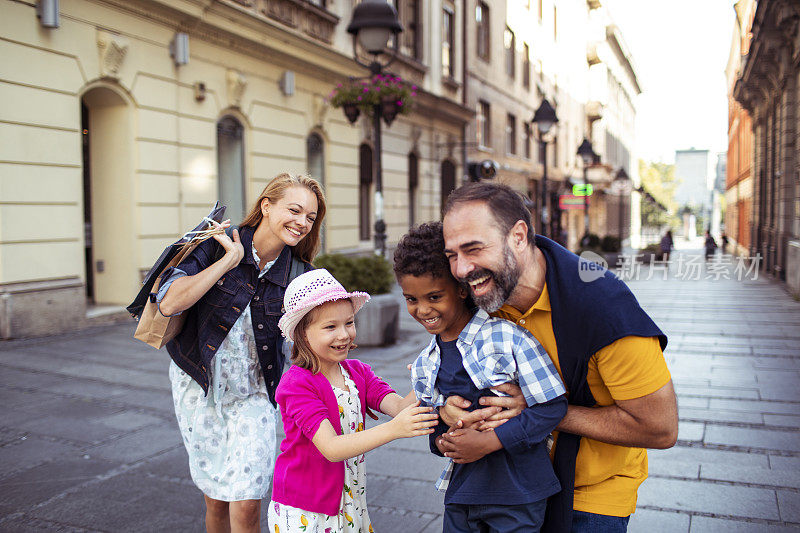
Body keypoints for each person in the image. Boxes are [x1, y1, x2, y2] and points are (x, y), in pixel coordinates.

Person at [439, 182, 678, 532]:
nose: (460, 269)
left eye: (473, 249)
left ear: (518, 236)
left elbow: (660, 429)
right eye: (451, 255)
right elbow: (441, 367)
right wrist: (447, 408)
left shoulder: (605, 310)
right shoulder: (481, 297)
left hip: (591, 493)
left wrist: (539, 409)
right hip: (509, 485)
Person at [158, 173, 325, 533]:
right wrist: (228, 260)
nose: (302, 223)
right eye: (294, 210)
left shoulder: (300, 273)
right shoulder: (217, 243)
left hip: (254, 394)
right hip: (198, 386)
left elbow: (321, 336)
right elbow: (169, 302)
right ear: (266, 206)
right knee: (216, 497)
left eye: (310, 217)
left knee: (247, 501)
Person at [393, 222, 567, 532]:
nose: (422, 310)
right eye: (411, 299)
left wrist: (490, 441)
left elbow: (552, 407)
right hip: (462, 494)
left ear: (461, 288)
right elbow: (432, 425)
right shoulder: (424, 363)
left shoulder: (506, 338)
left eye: (434, 297)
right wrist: (442, 440)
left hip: (519, 494)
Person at [268, 269, 438, 532]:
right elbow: (331, 448)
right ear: (302, 334)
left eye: (348, 322)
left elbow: (400, 407)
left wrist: (425, 375)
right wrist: (394, 429)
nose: (344, 334)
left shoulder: (357, 372)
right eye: (330, 327)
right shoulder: (297, 384)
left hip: (350, 500)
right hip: (307, 509)